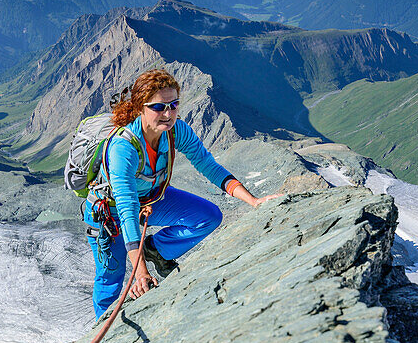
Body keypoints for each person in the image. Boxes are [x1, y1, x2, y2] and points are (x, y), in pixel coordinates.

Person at [83, 68, 281, 318]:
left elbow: (208, 165)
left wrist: (253, 201)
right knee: (111, 275)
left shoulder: (176, 131)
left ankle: (155, 250)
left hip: (152, 199)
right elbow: (127, 211)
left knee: (208, 217)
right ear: (140, 108)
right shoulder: (124, 148)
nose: (168, 114)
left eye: (173, 104)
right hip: (109, 212)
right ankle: (102, 327)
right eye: (158, 107)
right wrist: (140, 272)